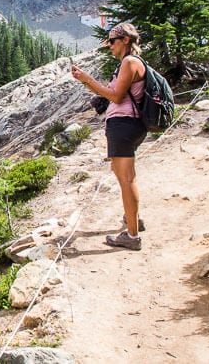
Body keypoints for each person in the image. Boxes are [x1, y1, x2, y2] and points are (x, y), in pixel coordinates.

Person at [71, 22, 147, 251]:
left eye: (112, 41)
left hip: (124, 125)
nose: (109, 46)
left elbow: (115, 96)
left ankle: (132, 235)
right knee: (122, 175)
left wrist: (88, 80)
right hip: (125, 125)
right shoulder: (128, 63)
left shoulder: (129, 62)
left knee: (126, 179)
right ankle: (133, 219)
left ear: (125, 40)